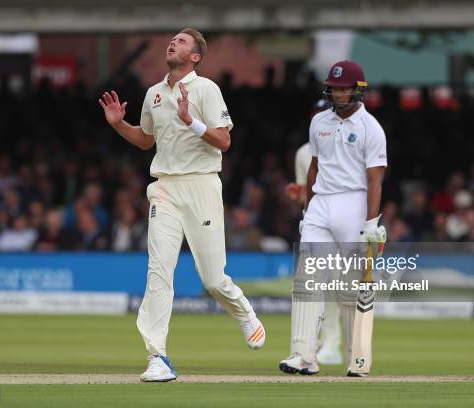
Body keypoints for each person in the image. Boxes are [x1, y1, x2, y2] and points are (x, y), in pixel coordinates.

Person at [99, 27, 265, 383]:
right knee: (159, 272)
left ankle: (243, 312)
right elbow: (146, 141)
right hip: (165, 189)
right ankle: (157, 356)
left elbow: (224, 141)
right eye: (172, 39)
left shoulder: (207, 89)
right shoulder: (154, 94)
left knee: (213, 279)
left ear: (195, 57)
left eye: (182, 41)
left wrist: (191, 120)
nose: (173, 42)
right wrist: (118, 125)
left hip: (202, 185)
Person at [279, 60, 387, 376]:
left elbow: (375, 180)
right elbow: (314, 168)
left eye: (344, 88)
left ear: (357, 90)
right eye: (335, 88)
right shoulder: (319, 123)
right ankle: (303, 355)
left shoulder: (371, 128)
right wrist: (307, 209)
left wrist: (371, 223)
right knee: (307, 278)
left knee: (351, 287)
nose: (339, 93)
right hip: (321, 203)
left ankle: (358, 358)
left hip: (354, 203)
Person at [285, 99, 347, 366]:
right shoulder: (303, 153)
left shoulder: (349, 144)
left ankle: (334, 344)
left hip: (343, 223)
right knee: (312, 284)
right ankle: (315, 345)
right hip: (315, 224)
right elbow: (306, 194)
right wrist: (297, 197)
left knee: (336, 286)